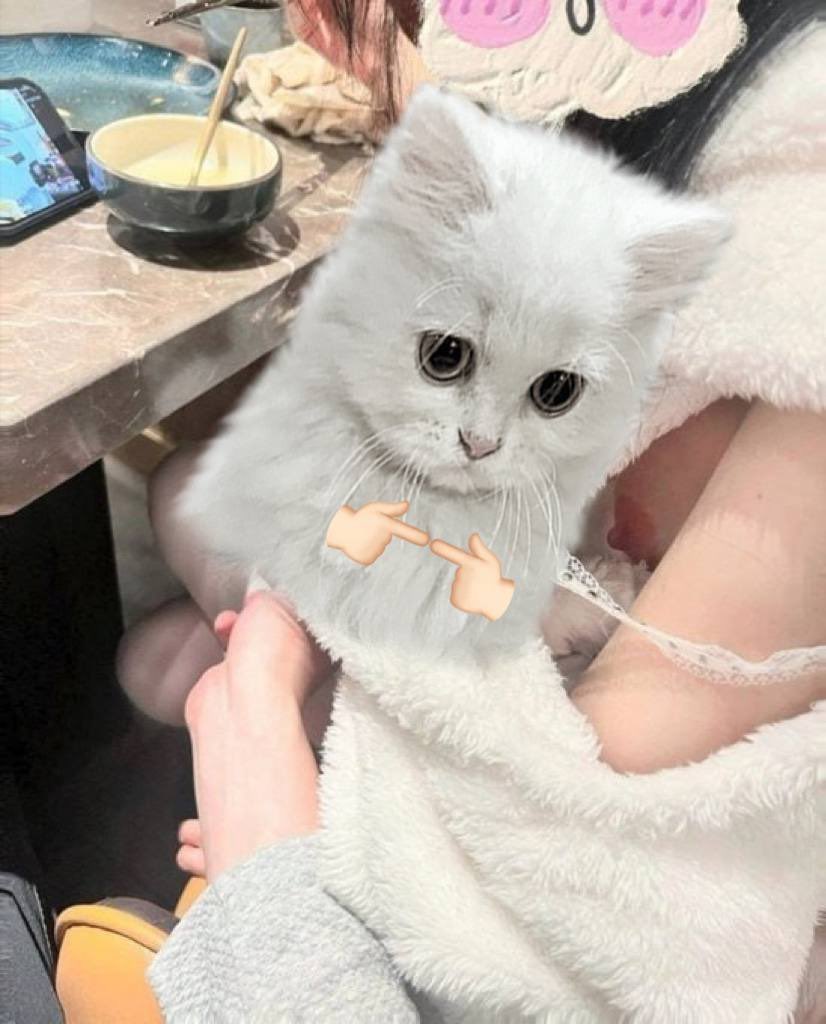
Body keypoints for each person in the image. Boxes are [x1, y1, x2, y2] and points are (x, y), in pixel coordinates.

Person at [144, 1, 825, 1019]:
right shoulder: (624, 126)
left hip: (555, 859)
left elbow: (581, 836)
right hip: (515, 661)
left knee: (176, 618)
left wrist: (268, 852)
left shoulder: (791, 227)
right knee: (176, 568)